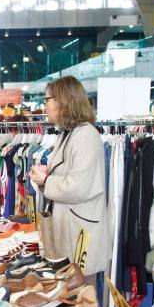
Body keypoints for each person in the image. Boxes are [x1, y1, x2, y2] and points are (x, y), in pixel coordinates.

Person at [28, 76, 109, 278]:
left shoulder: (85, 135)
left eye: (47, 99)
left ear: (63, 100)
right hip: (70, 222)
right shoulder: (69, 133)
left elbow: (80, 186)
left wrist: (46, 180)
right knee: (72, 287)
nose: (44, 105)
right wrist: (45, 178)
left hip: (79, 227)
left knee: (82, 291)